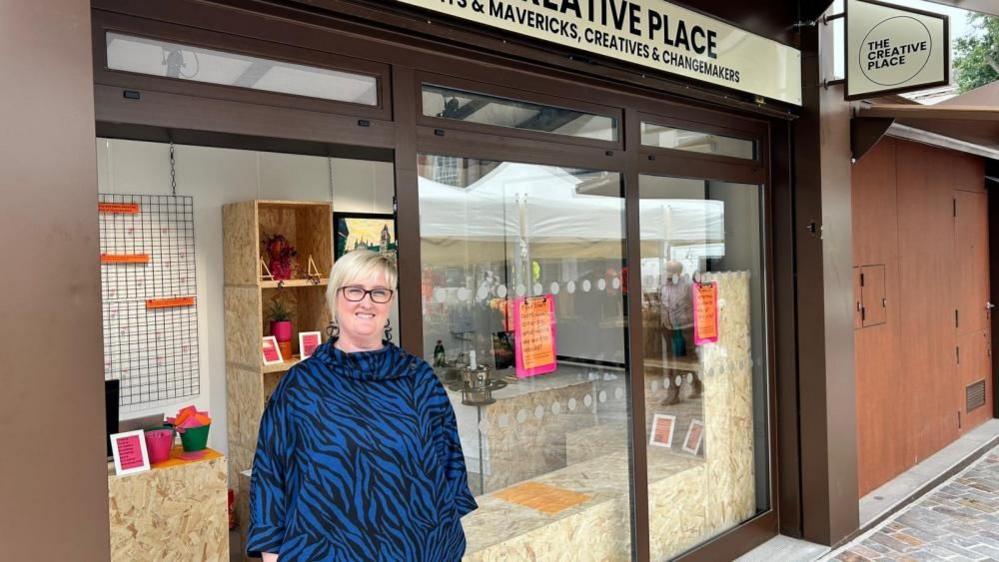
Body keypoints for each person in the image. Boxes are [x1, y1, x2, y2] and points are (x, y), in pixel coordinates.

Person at [247, 250, 477, 561]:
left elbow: (450, 470)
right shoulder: (300, 387)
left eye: (379, 292)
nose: (366, 302)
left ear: (390, 302)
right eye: (354, 290)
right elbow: (270, 477)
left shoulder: (419, 380)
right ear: (334, 298)